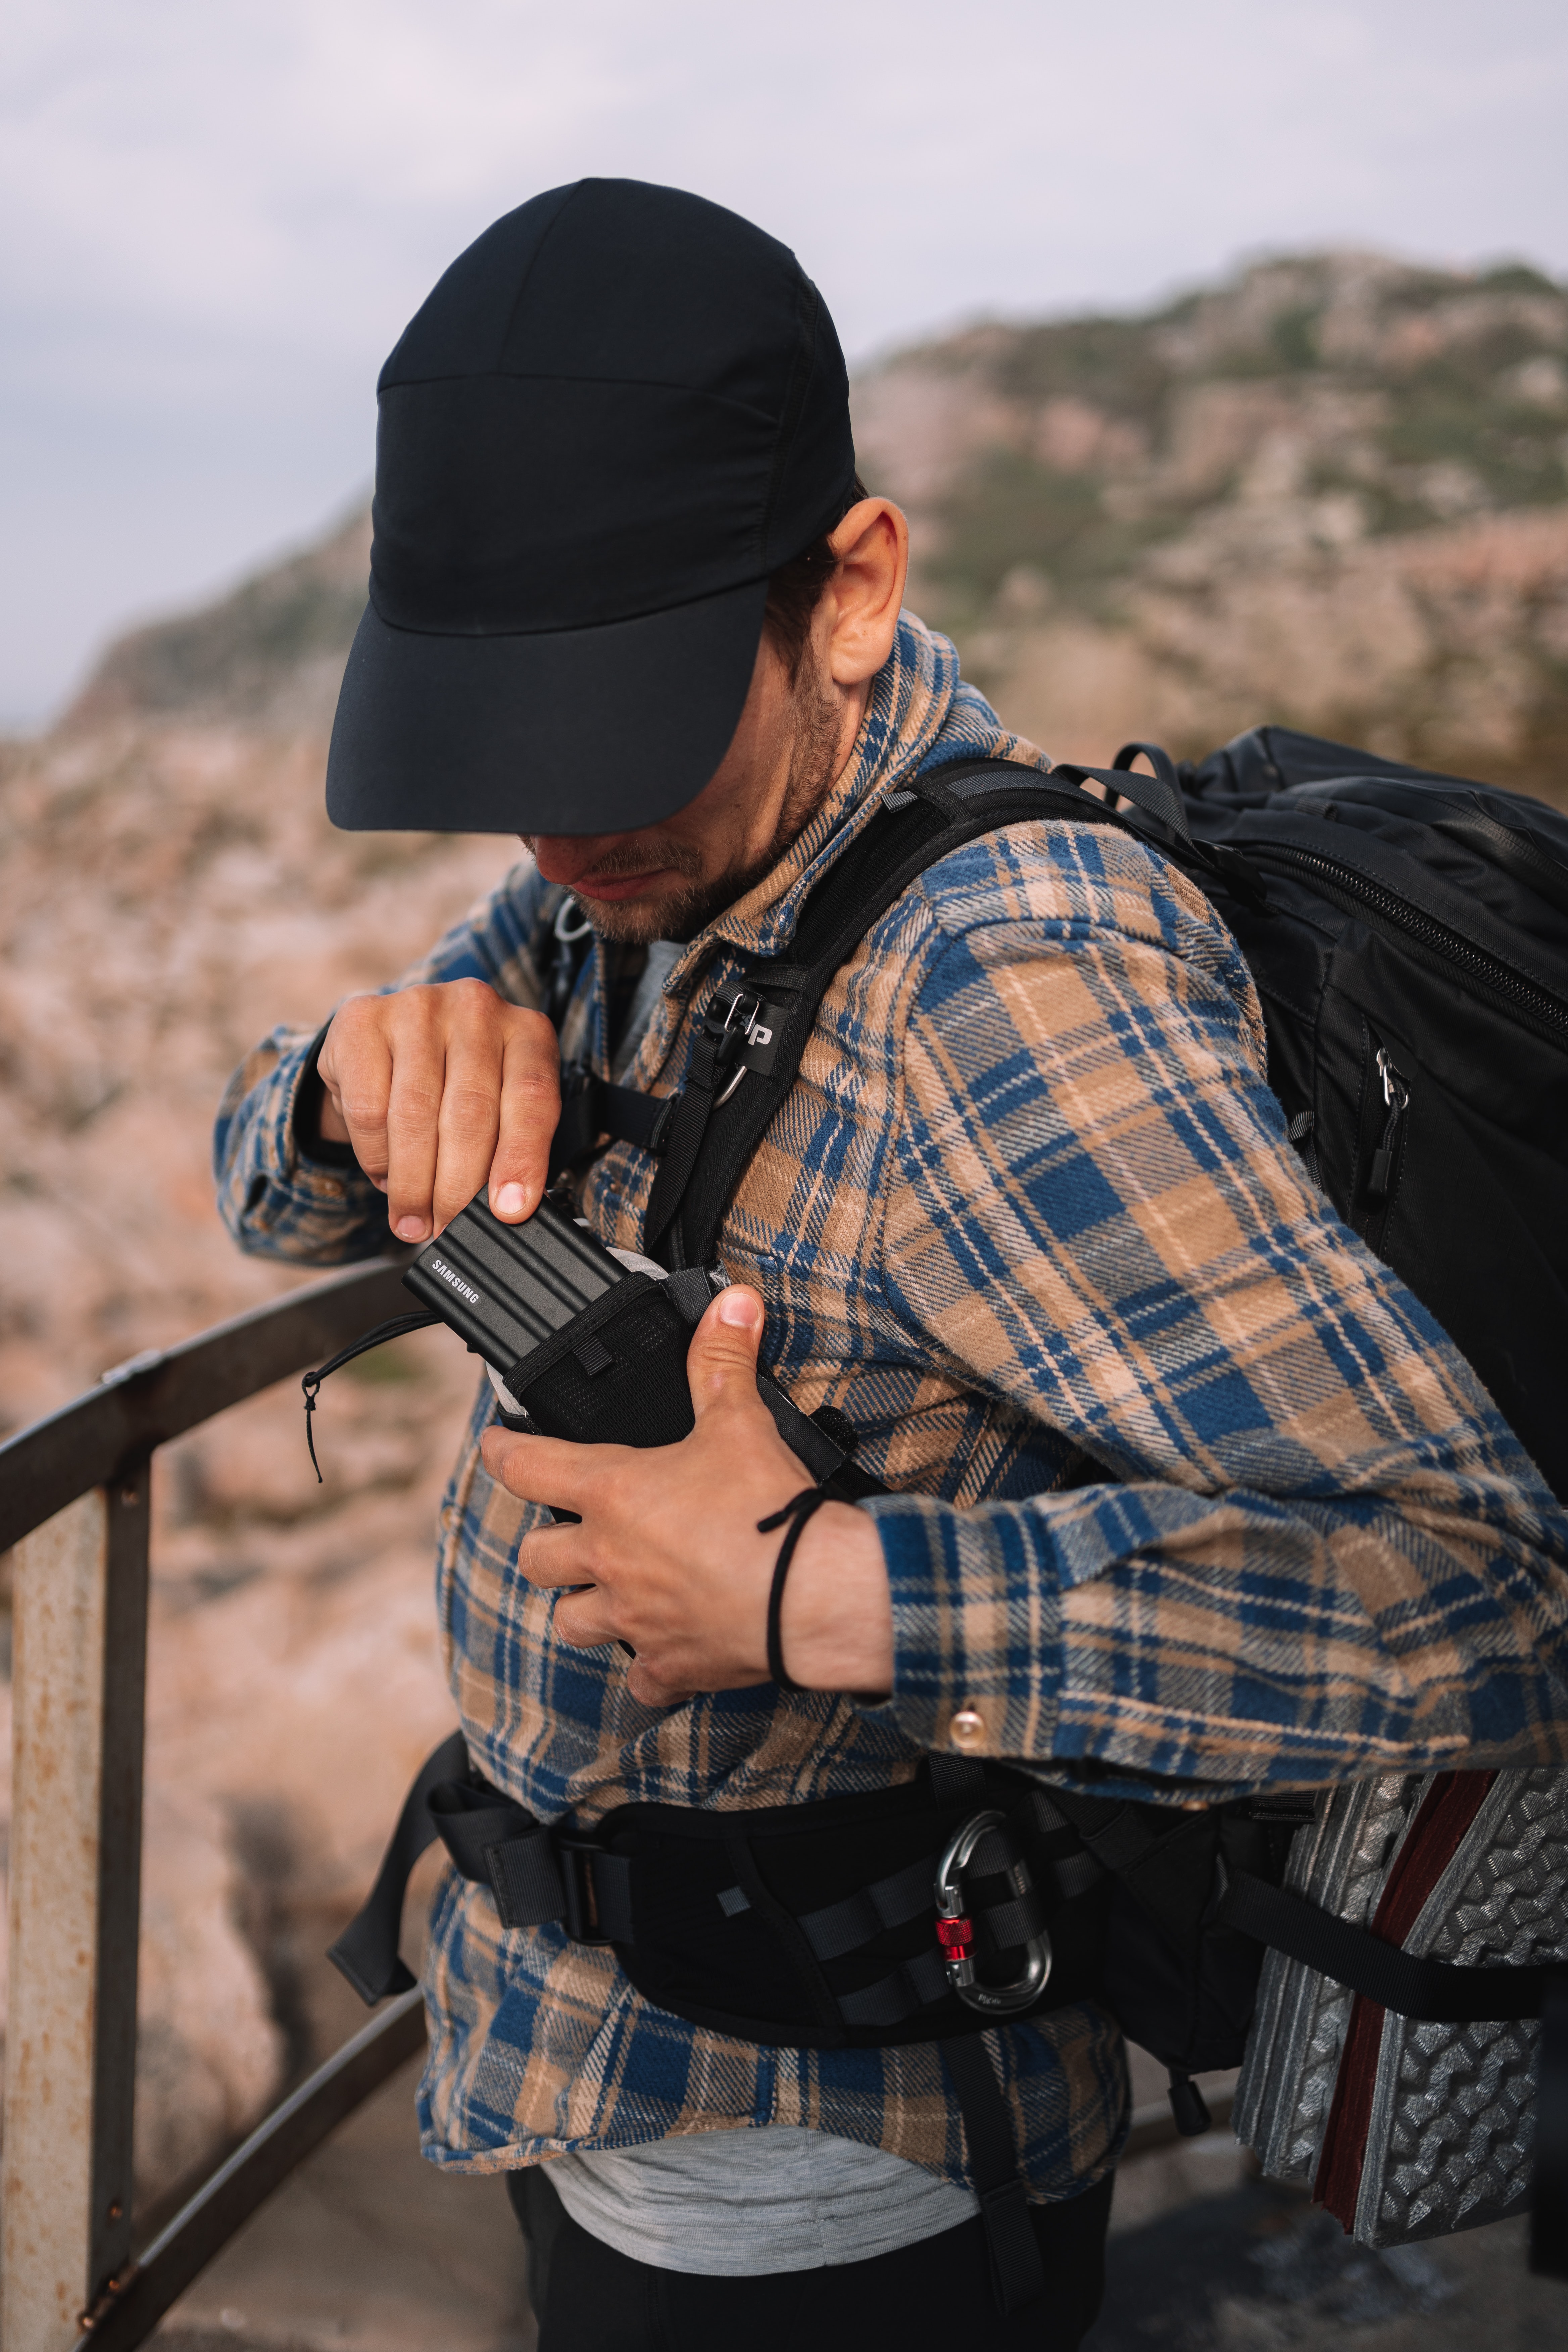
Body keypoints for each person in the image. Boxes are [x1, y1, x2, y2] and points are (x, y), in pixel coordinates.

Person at [215, 180, 1568, 2351]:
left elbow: (1484, 1597)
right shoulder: (627, 883)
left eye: (612, 733)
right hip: (584, 2082)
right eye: (508, 755)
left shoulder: (1001, 987)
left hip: (827, 2186)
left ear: (849, 597)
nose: (553, 835)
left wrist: (807, 1593)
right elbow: (266, 1199)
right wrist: (353, 1080)